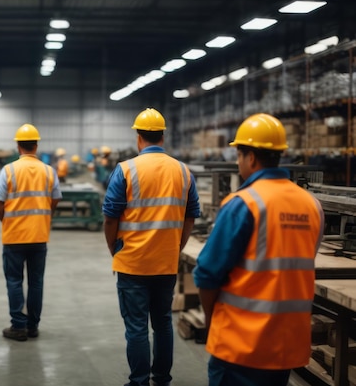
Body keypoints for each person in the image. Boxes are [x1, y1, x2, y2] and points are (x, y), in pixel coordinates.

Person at [193, 113, 324, 386]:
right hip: (286, 345)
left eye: (239, 155)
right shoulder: (312, 205)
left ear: (250, 157)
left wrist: (211, 321)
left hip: (241, 347)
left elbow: (206, 273)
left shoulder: (243, 203)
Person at [102, 108, 201, 386]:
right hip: (165, 264)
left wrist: (114, 248)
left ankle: (139, 381)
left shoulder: (125, 170)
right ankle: (161, 379)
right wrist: (177, 246)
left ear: (138, 137)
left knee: (136, 328)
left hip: (132, 263)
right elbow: (191, 214)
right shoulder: (182, 171)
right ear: (162, 136)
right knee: (163, 324)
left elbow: (110, 216)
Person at [0, 123, 62, 341]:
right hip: (39, 236)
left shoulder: (9, 170)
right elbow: (55, 199)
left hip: (14, 237)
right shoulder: (49, 171)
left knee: (14, 281)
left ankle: (18, 326)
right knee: (36, 282)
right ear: (36, 145)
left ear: (18, 146)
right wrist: (42, 217)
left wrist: (8, 221)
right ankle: (32, 326)